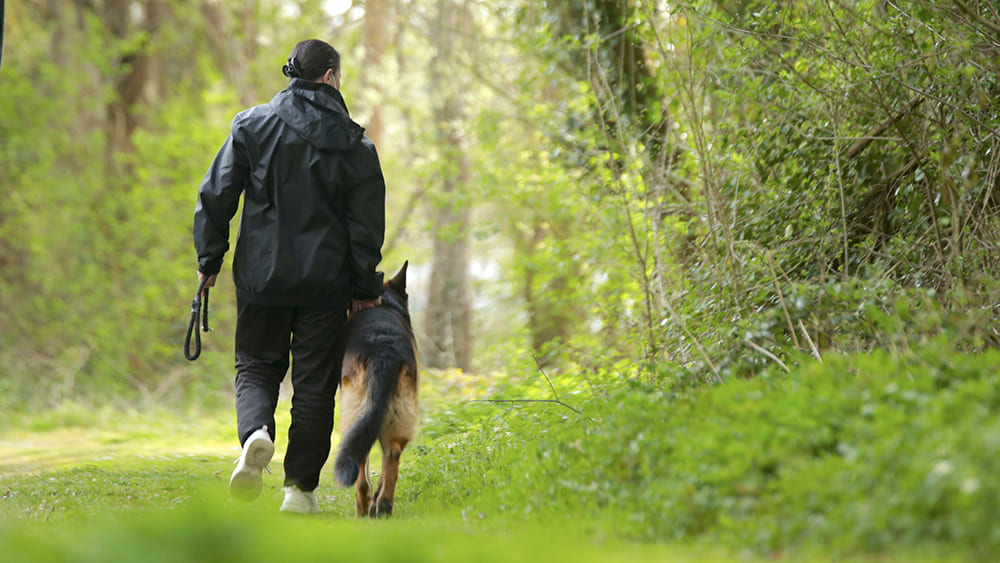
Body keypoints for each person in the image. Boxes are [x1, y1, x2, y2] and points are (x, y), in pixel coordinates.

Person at [192, 39, 385, 513]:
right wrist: (364, 289)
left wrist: (209, 260)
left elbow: (217, 196)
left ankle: (256, 433)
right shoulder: (356, 144)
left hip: (261, 279)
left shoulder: (250, 125)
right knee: (315, 384)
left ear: (293, 75)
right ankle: (298, 491)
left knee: (256, 365)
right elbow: (366, 226)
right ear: (331, 77)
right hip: (325, 286)